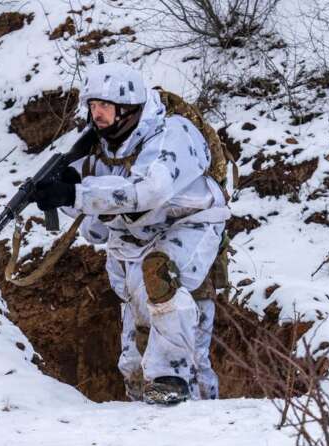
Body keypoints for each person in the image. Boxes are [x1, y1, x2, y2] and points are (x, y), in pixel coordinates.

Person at [33, 62, 230, 405]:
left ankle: (176, 389)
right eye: (93, 107)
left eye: (105, 107)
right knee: (136, 348)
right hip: (133, 240)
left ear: (128, 108)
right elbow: (95, 228)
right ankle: (142, 404)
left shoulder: (173, 133)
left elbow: (149, 190)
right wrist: (61, 194)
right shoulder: (98, 149)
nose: (98, 115)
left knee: (164, 283)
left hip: (188, 225)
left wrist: (76, 194)